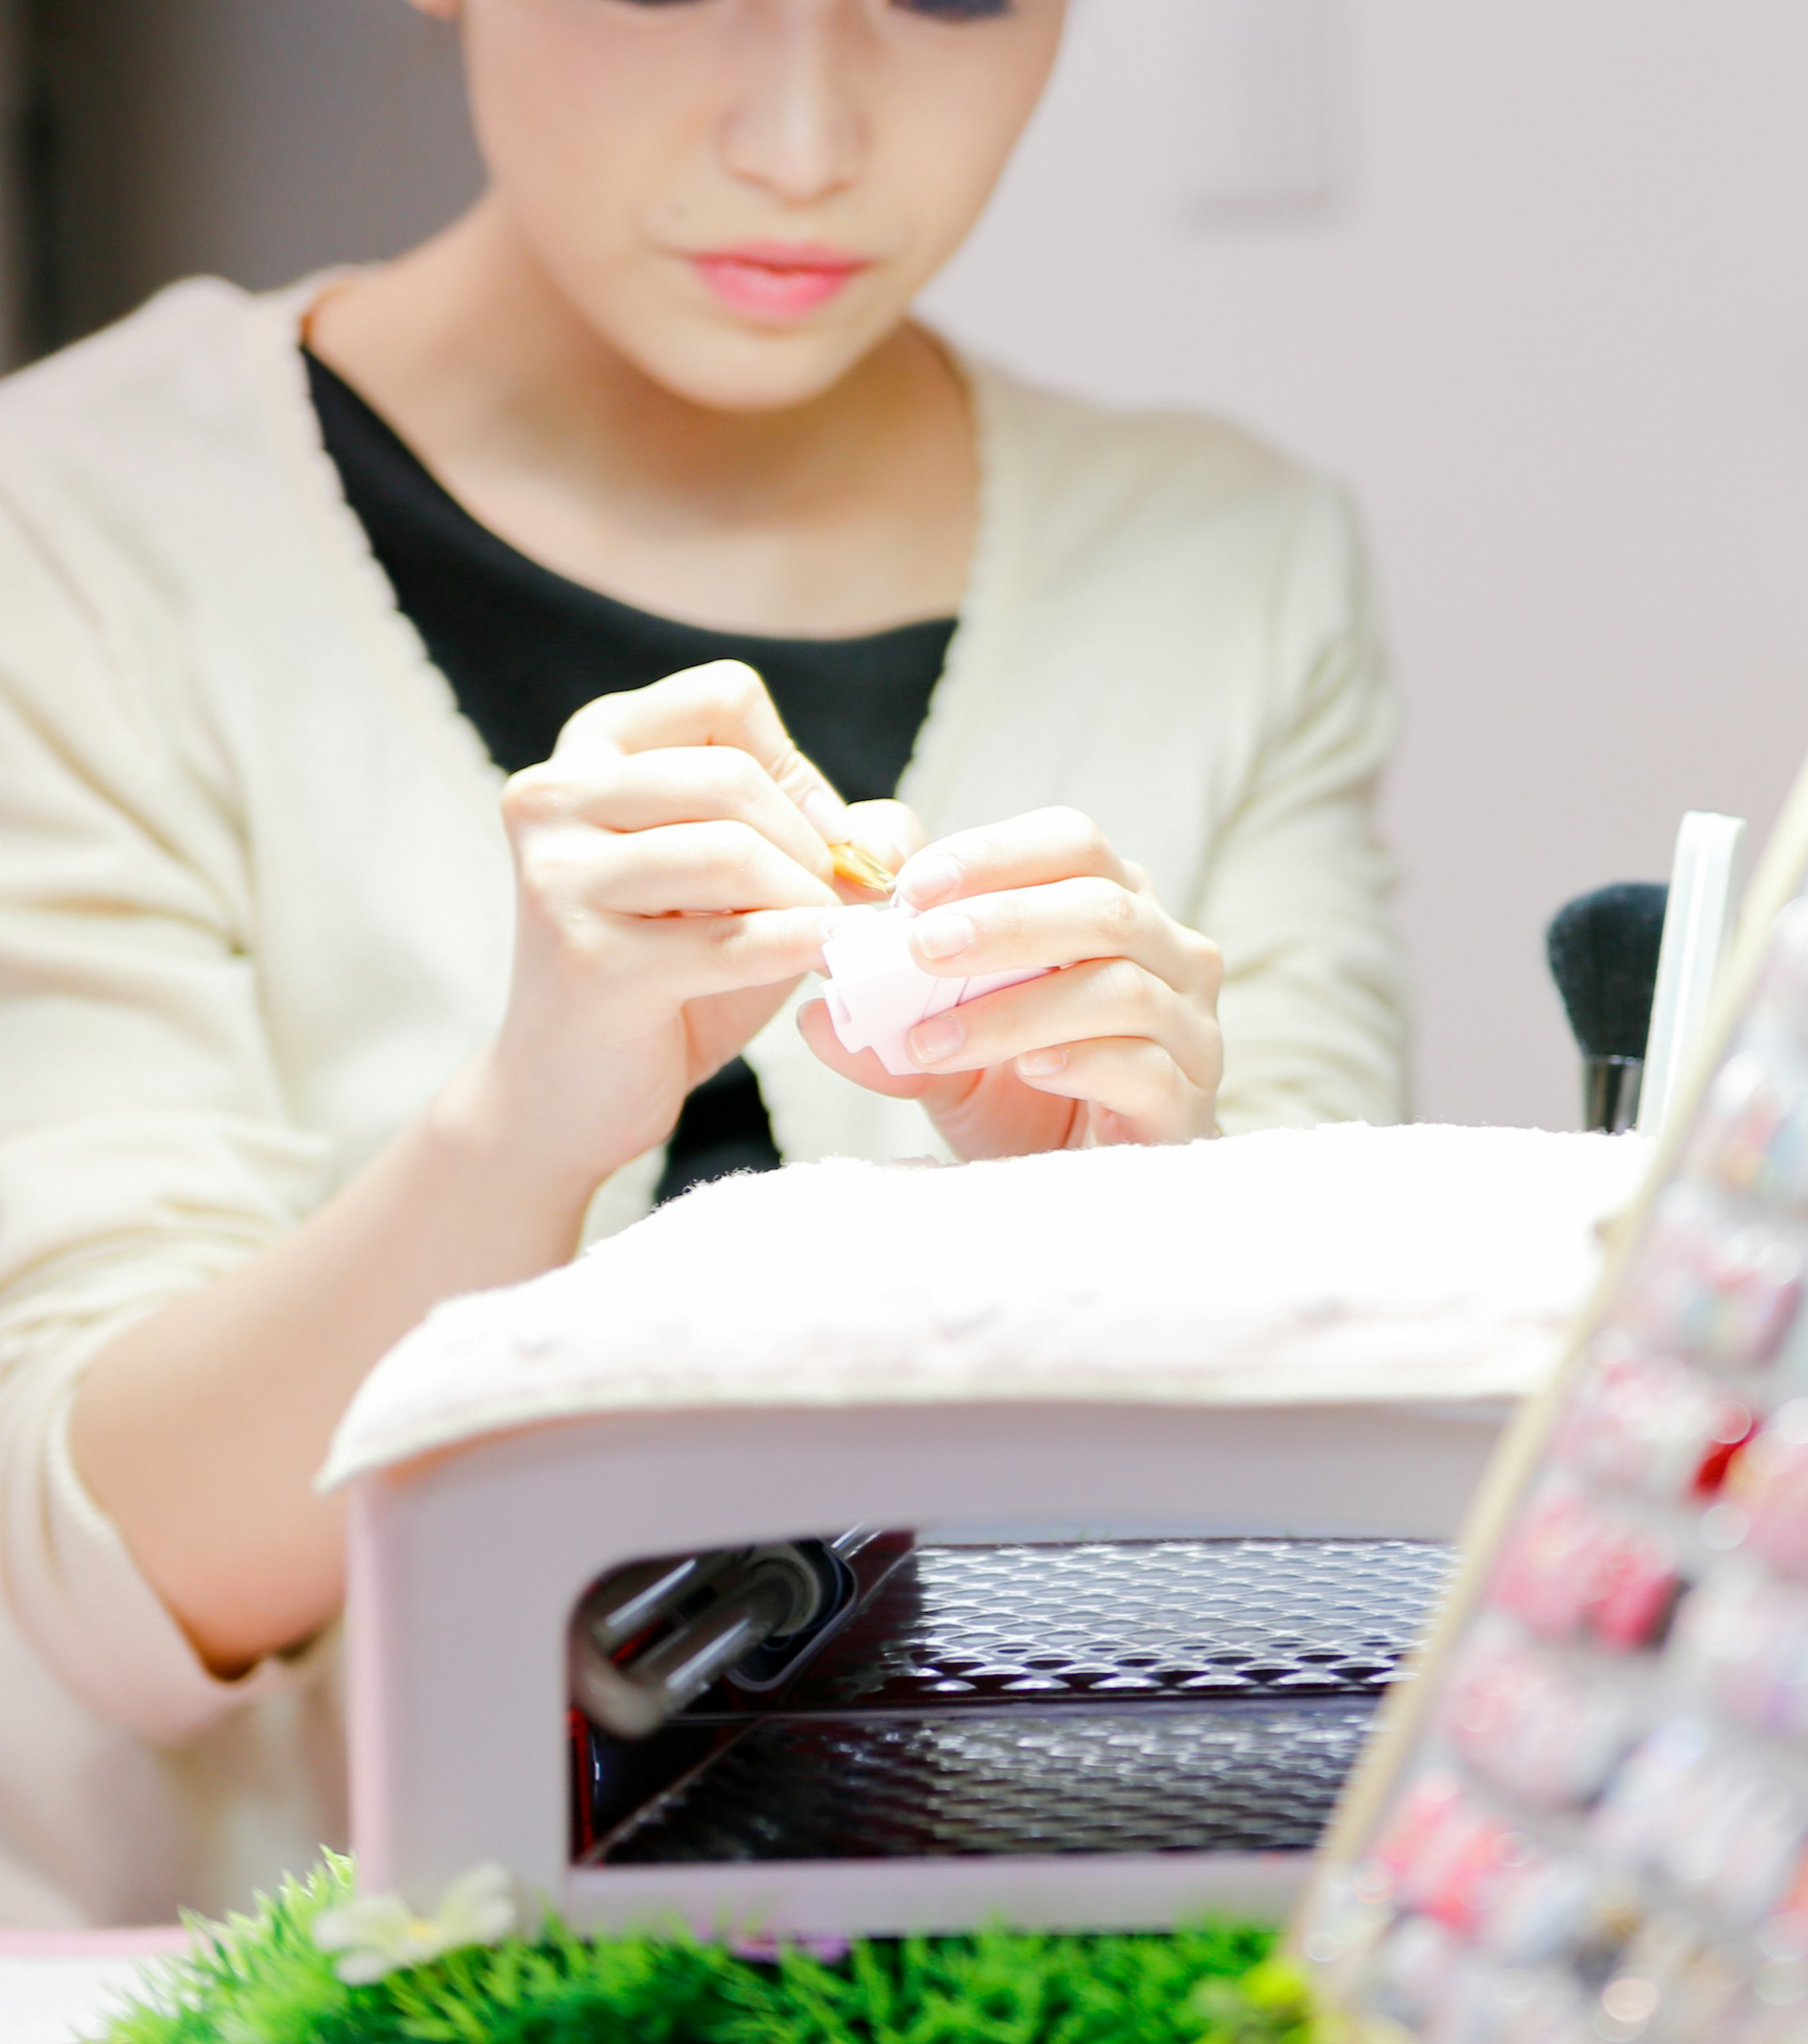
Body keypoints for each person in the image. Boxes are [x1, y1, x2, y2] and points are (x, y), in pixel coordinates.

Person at [0, 0, 1407, 1925]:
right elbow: (112, 1583)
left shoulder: (1229, 566)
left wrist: (1108, 1228)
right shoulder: (79, 523)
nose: (810, 140)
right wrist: (515, 1137)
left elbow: (1341, 1585)